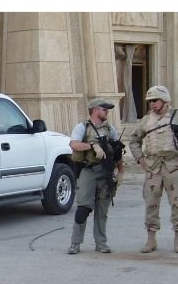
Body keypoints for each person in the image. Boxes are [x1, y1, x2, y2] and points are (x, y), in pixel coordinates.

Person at [128, 85, 178, 254]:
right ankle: (151, 239)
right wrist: (140, 159)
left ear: (164, 100)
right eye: (150, 101)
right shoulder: (147, 119)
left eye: (155, 100)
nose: (152, 104)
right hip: (153, 167)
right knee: (151, 203)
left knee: (177, 202)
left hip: (173, 166)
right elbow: (133, 139)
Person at [67, 97, 124, 255]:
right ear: (94, 110)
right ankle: (75, 243)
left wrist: (121, 171)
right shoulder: (82, 127)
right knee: (83, 209)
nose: (107, 111)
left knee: (102, 210)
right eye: (104, 109)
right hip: (88, 170)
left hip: (105, 172)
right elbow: (73, 144)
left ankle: (101, 243)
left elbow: (117, 152)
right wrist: (93, 145)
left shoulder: (110, 129)